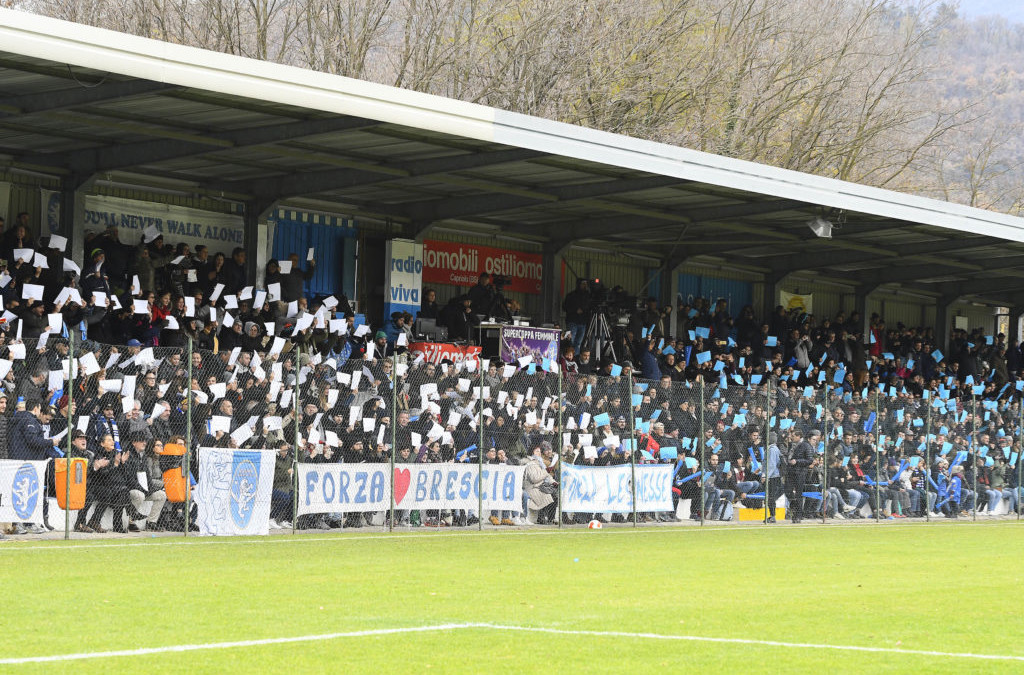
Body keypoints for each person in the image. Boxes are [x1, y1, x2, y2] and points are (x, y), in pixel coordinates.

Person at [523, 441, 558, 524]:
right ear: (532, 452)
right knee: (546, 494)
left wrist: (553, 482)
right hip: (533, 487)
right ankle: (541, 517)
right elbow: (535, 479)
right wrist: (546, 471)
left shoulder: (540, 462)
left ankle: (551, 518)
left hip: (540, 485)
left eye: (539, 451)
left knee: (555, 494)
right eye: (536, 451)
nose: (539, 453)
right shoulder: (529, 463)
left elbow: (547, 476)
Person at [785, 429, 816, 523]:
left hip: (800, 473)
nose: (791, 437)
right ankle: (795, 507)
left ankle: (798, 515)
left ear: (799, 437)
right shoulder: (792, 444)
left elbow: (810, 460)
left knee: (798, 494)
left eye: (793, 435)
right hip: (791, 472)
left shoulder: (806, 445)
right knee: (787, 490)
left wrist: (797, 461)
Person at [563, 279, 591, 352]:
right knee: (570, 341)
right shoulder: (571, 295)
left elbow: (589, 308)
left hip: (583, 323)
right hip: (572, 321)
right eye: (583, 284)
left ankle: (575, 359)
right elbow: (565, 307)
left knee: (578, 343)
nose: (585, 286)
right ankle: (568, 357)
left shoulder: (588, 296)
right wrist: (575, 310)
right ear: (579, 284)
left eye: (586, 284)